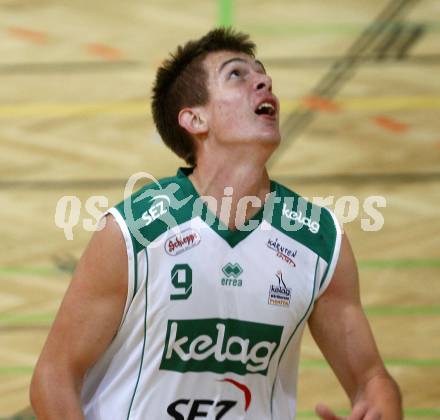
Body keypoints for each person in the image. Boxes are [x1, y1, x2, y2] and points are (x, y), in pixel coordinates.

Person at [30, 28, 401, 419]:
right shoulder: (134, 232)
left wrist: (381, 405)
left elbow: (371, 379)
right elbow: (54, 376)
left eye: (263, 73)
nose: (264, 81)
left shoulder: (318, 239)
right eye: (237, 74)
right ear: (194, 118)